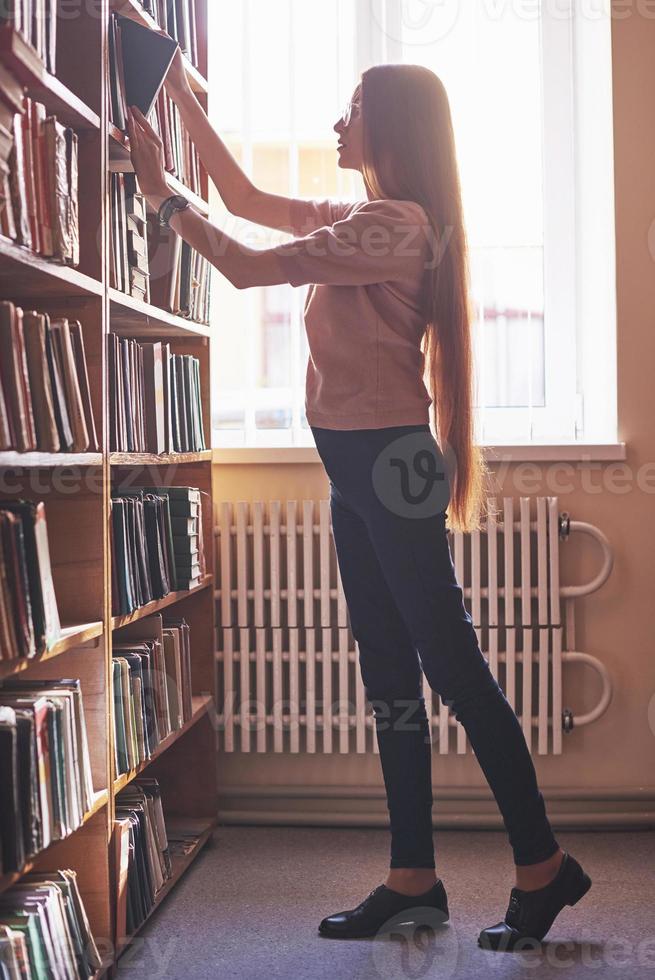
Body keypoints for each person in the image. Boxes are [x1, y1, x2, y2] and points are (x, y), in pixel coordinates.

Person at [127, 50, 592, 952]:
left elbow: (249, 266)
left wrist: (163, 198)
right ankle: (411, 877)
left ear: (392, 128)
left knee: (451, 669)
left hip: (392, 465)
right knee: (387, 673)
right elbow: (251, 200)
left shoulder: (395, 226)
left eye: (352, 110)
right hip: (356, 467)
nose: (337, 126)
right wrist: (180, 97)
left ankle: (542, 867)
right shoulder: (362, 216)